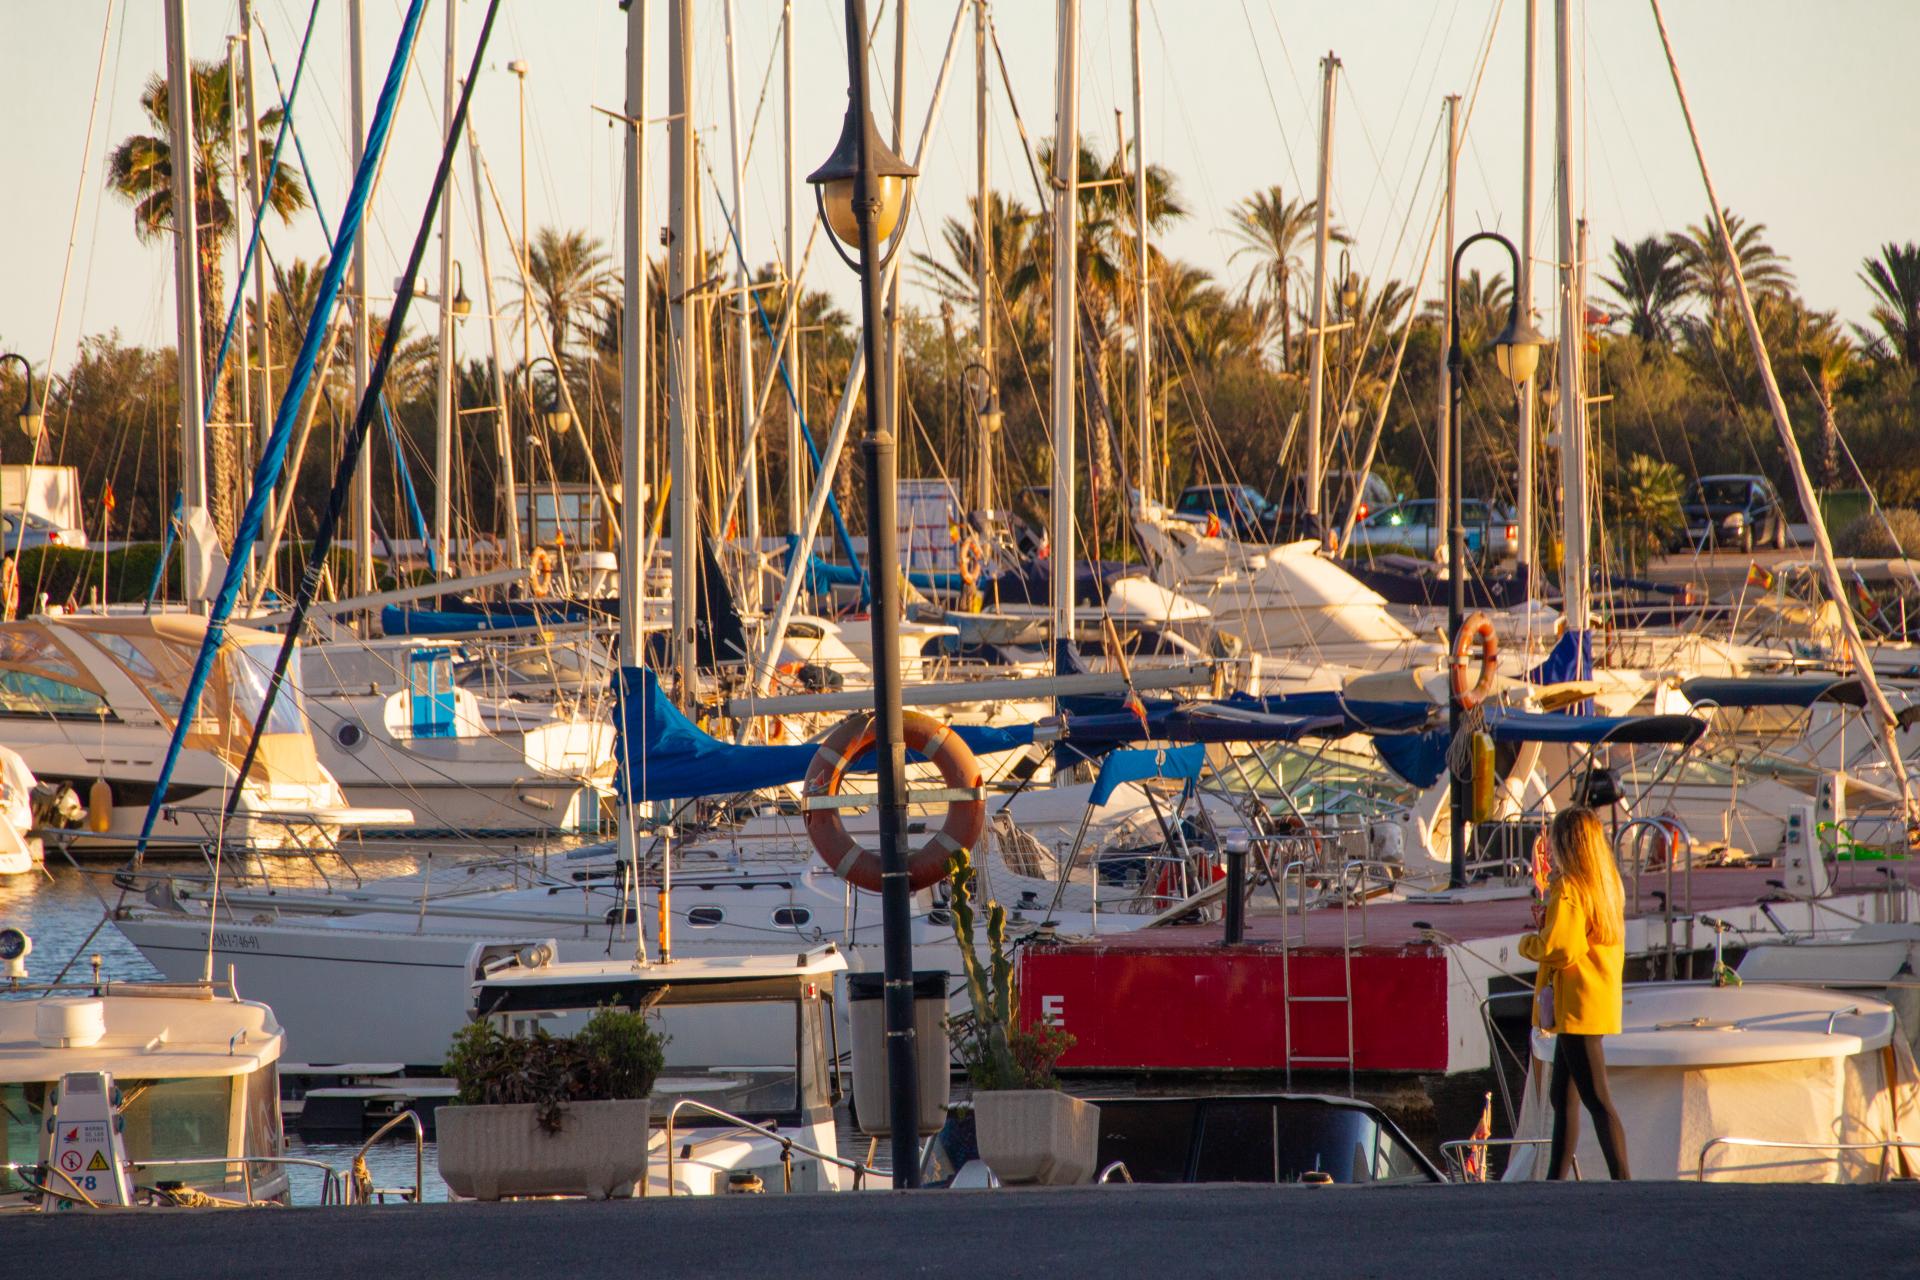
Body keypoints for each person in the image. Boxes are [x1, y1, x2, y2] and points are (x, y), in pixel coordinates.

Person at [1521, 806, 1630, 1180]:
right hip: (1596, 999)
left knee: (1596, 1099)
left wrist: (1528, 944)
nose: (1549, 846)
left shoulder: (1569, 888)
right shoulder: (1606, 884)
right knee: (1562, 1095)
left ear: (1566, 843)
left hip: (1576, 1004)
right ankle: (1556, 1178)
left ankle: (1622, 1179)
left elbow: (1560, 948)